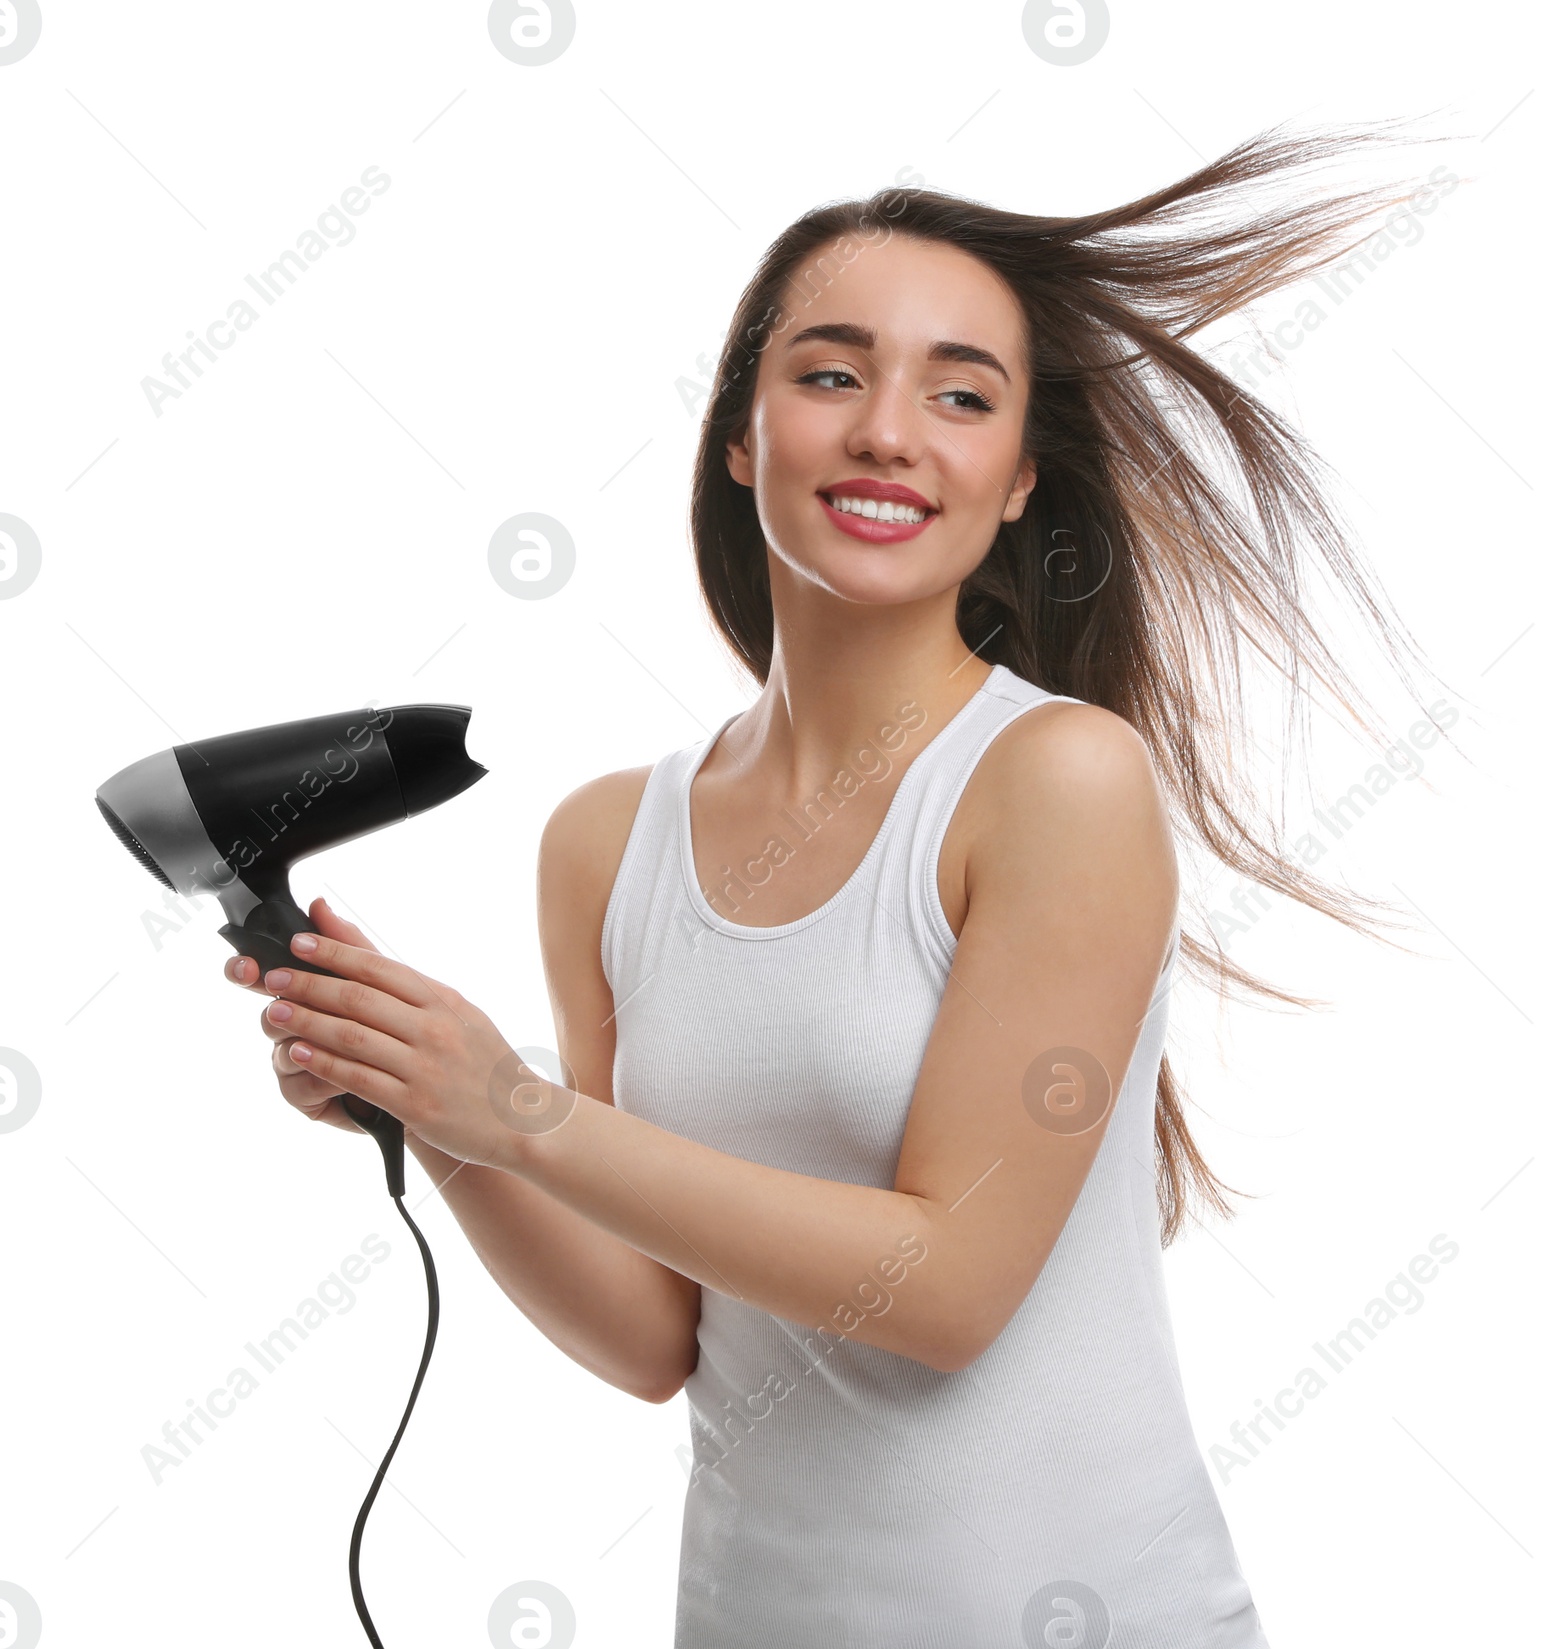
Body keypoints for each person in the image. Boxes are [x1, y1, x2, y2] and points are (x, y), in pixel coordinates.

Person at [227, 121, 1462, 1647]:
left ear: (1016, 483)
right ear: (742, 434)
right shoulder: (609, 842)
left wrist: (523, 1109)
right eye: (829, 374)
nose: (890, 432)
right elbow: (654, 1331)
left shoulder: (1053, 781)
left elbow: (946, 1289)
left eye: (961, 395)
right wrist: (439, 1110)